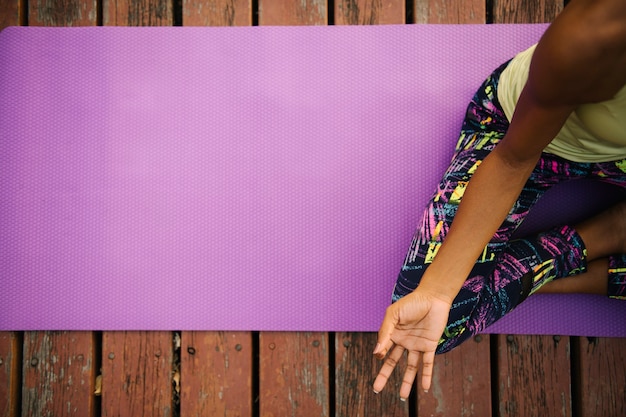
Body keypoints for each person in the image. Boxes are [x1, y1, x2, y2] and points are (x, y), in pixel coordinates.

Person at [372, 0, 626, 401]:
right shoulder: (592, 36)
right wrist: (438, 292)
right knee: (437, 325)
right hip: (526, 140)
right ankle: (597, 236)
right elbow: (513, 159)